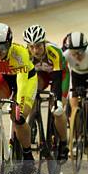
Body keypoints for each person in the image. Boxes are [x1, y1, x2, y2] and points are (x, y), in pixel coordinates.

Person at [0, 23, 37, 172]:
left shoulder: (20, 54)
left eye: (2, 47)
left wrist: (19, 105)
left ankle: (27, 155)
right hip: (4, 79)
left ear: (10, 43)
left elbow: (22, 84)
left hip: (25, 80)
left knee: (18, 119)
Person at [23, 24, 70, 161]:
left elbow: (56, 81)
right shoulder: (25, 54)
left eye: (38, 46)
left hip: (59, 76)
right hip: (41, 75)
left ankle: (63, 143)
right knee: (32, 94)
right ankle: (32, 123)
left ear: (44, 43)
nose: (35, 50)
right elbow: (26, 79)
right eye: (31, 47)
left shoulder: (54, 51)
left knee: (57, 110)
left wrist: (57, 101)